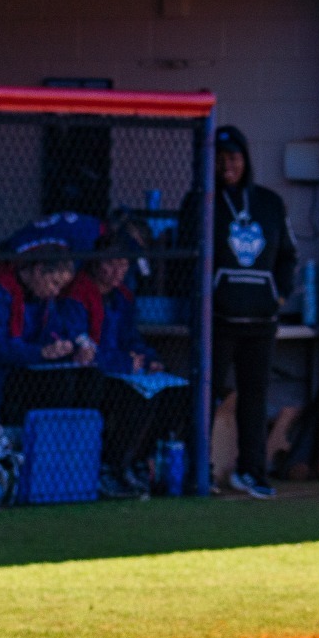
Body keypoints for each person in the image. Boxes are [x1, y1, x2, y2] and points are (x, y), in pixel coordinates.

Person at [178, 125, 297, 499]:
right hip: (218, 319)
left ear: (245, 161)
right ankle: (200, 471)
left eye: (233, 158)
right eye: (219, 158)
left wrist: (278, 296)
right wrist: (201, 300)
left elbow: (288, 256)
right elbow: (184, 259)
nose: (226, 165)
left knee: (255, 396)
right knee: (206, 394)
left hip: (261, 320)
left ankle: (252, 472)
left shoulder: (269, 203)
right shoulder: (199, 202)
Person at [65, 217, 189, 496]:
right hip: (94, 375)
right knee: (136, 399)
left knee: (174, 393)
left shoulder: (122, 297)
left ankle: (138, 462)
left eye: (123, 264)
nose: (117, 271)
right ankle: (112, 467)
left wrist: (149, 358)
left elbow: (131, 337)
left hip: (125, 370)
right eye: (111, 263)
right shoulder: (78, 293)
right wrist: (122, 362)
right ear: (96, 262)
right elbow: (81, 347)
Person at [0, 236, 96, 427]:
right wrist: (40, 352)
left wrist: (75, 346)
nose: (56, 292)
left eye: (60, 287)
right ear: (37, 271)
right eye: (54, 283)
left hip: (19, 380)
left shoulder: (43, 299)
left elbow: (57, 331)